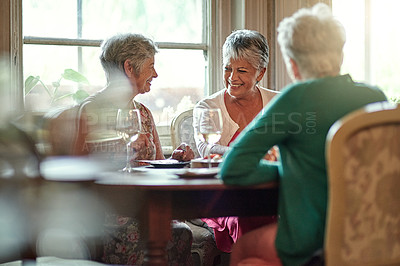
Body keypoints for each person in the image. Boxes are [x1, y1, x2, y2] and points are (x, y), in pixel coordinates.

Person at [219, 3, 388, 266]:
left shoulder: (294, 99)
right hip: (374, 236)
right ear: (339, 54)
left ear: (293, 64)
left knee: (243, 251)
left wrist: (292, 172)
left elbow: (233, 168)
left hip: (312, 240)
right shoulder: (376, 97)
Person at [75, 33, 194, 265]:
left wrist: (177, 159)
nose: (156, 74)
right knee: (162, 234)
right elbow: (75, 174)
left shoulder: (144, 114)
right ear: (129, 67)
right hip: (105, 211)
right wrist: (124, 154)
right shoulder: (90, 111)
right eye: (151, 66)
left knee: (181, 232)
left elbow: (160, 166)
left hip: (144, 206)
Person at [192, 29, 279, 254]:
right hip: (222, 195)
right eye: (228, 68)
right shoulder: (207, 107)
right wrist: (249, 154)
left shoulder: (278, 102)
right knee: (245, 216)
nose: (232, 77)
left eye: (241, 70)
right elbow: (205, 148)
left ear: (260, 73)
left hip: (268, 192)